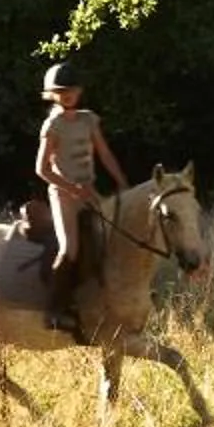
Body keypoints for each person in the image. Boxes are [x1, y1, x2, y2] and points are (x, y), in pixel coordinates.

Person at [32, 62, 127, 339]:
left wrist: (122, 182)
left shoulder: (89, 120)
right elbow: (42, 168)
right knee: (70, 249)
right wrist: (72, 189)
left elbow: (105, 154)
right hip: (63, 195)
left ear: (79, 90)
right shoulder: (53, 125)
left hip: (90, 191)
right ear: (52, 94)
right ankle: (53, 310)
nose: (67, 95)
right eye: (61, 91)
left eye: (71, 90)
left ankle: (102, 303)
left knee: (113, 239)